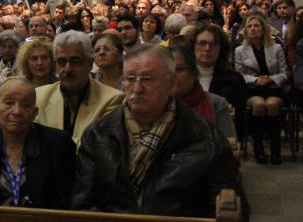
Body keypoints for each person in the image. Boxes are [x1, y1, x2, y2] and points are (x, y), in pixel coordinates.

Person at [72, 45, 244, 217]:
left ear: (170, 83)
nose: (137, 89)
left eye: (147, 79)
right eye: (130, 79)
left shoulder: (205, 138)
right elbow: (82, 202)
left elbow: (230, 208)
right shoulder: (99, 134)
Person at [0, 77, 75, 208]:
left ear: (34, 113)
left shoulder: (58, 145)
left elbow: (63, 203)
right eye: (8, 103)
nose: (17, 111)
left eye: (25, 105)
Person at [35, 31, 123, 145]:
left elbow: (99, 146)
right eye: (61, 62)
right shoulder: (39, 97)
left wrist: (52, 144)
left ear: (90, 63)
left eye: (75, 61)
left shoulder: (112, 100)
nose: (67, 69)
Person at [234, 13, 290, 164]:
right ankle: (258, 149)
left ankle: (275, 150)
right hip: (252, 89)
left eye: (256, 26)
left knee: (271, 105)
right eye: (250, 26)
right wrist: (257, 79)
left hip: (273, 88)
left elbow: (285, 72)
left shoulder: (276, 48)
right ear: (245, 31)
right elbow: (240, 75)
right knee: (259, 105)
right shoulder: (240, 50)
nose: (253, 29)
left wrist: (270, 79)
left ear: (263, 29)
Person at [169, 42, 237, 145]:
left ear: (194, 73)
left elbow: (231, 146)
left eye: (180, 69)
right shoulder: (156, 103)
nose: (173, 75)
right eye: (168, 70)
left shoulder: (216, 102)